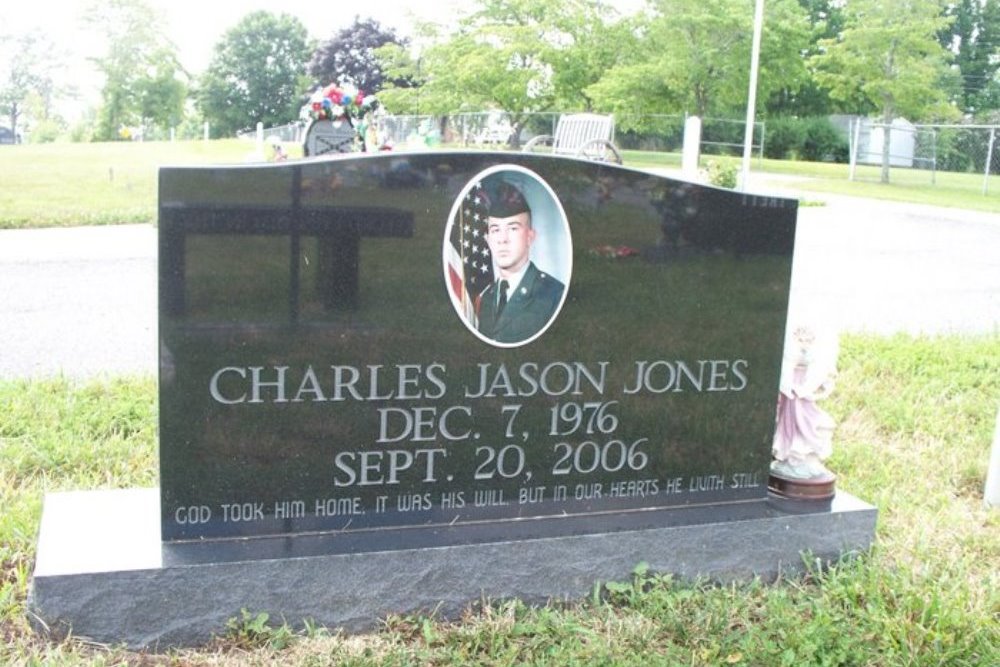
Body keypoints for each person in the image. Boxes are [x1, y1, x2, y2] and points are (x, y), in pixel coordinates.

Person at [476, 180, 565, 344]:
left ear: (530, 237)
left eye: (513, 228)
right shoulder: (487, 297)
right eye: (495, 230)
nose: (503, 239)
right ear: (488, 240)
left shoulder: (554, 294)